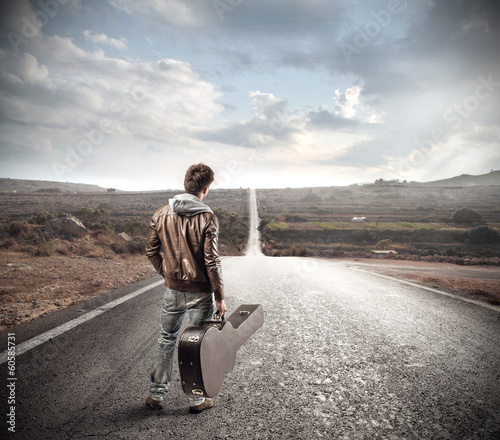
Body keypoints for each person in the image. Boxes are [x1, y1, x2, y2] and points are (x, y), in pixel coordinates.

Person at [145, 163, 227, 413]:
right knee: (195, 343)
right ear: (205, 188)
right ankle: (196, 400)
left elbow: (151, 251)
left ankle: (155, 395)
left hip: (173, 290)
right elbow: (211, 261)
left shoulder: (161, 213)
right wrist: (219, 296)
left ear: (186, 184)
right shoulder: (208, 217)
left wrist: (169, 275)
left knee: (166, 339)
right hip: (201, 293)